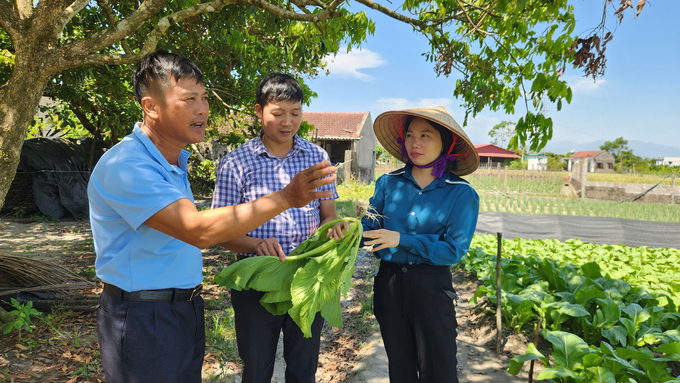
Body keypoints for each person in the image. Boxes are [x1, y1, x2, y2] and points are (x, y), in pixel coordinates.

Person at [87, 52, 336, 383]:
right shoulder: (129, 165)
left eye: (204, 98)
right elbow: (198, 230)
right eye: (189, 99)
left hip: (182, 307)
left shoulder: (172, 163)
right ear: (151, 107)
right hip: (143, 315)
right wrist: (286, 198)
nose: (202, 109)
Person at [212, 73, 346, 383]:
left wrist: (332, 230)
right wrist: (255, 246)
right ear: (259, 112)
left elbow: (328, 214)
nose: (288, 122)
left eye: (296, 113)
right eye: (278, 113)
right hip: (257, 280)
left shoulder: (317, 157)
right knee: (257, 368)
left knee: (303, 367)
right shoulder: (236, 163)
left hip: (308, 278)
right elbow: (220, 232)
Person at [360, 106, 480, 383]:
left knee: (439, 370)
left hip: (431, 286)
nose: (415, 143)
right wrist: (348, 232)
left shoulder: (461, 193)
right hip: (389, 284)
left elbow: (453, 250)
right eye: (411, 135)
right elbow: (369, 228)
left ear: (446, 144)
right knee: (400, 367)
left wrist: (402, 239)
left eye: (426, 135)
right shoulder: (388, 183)